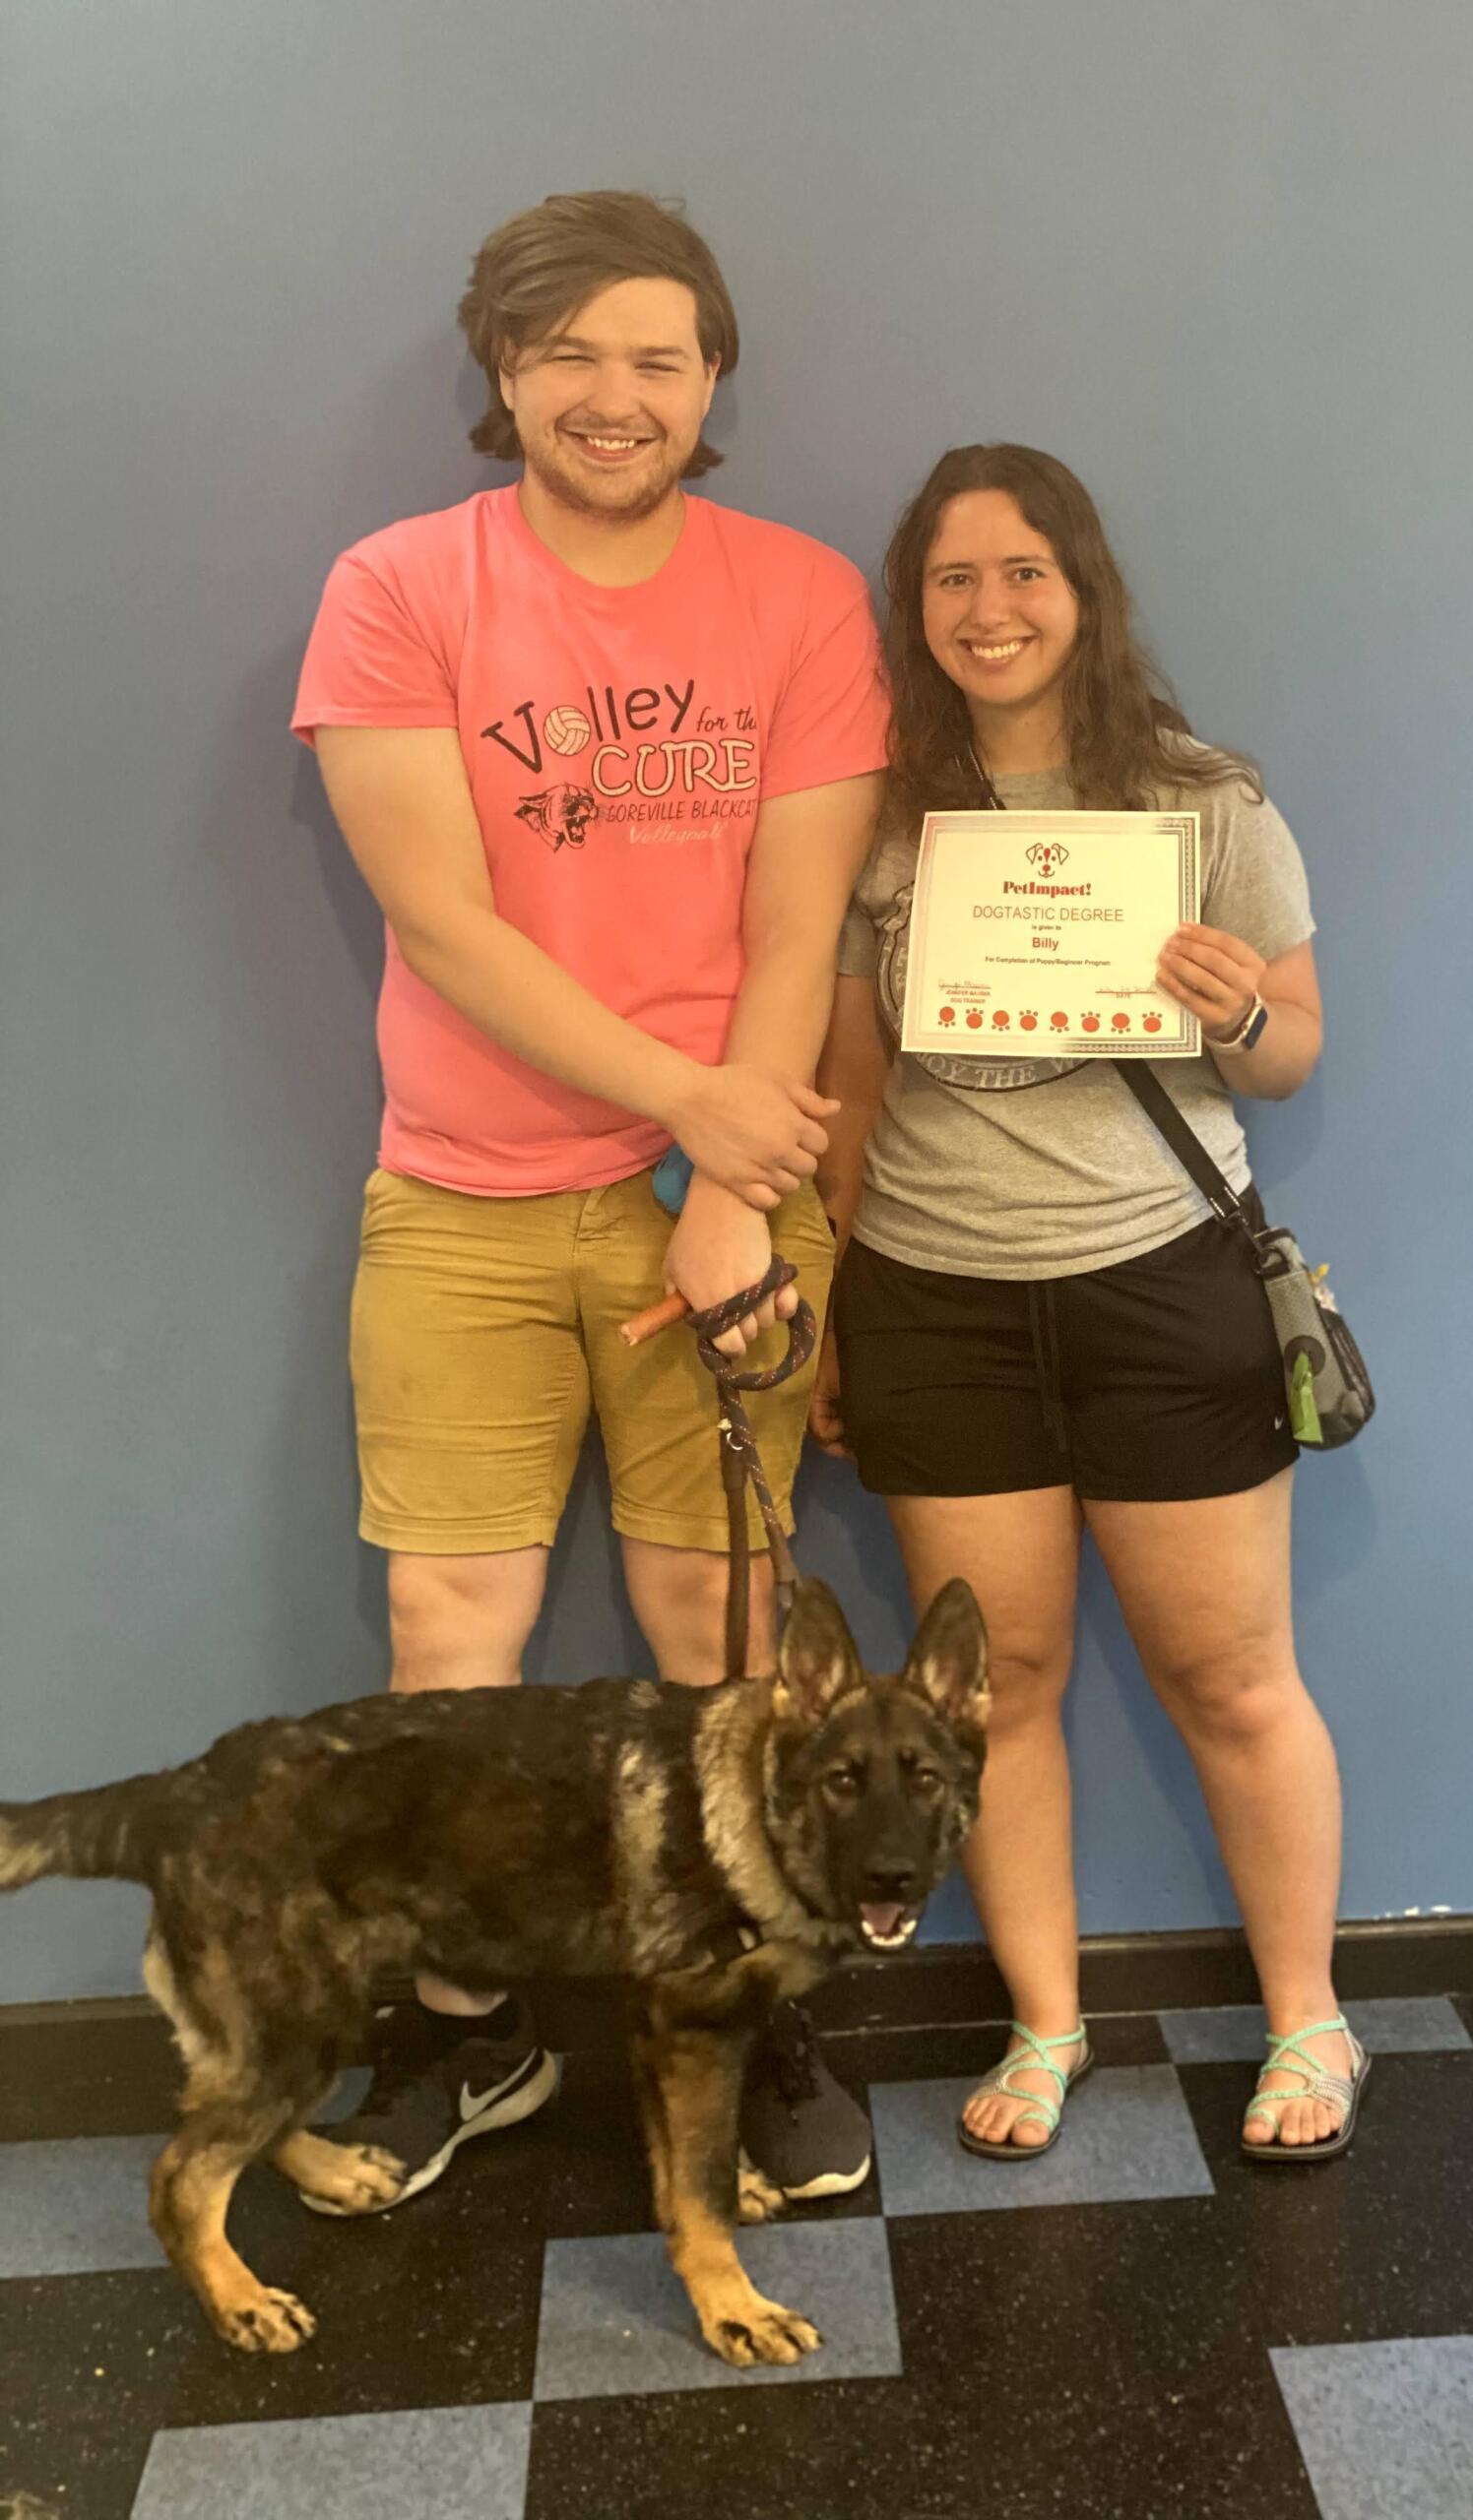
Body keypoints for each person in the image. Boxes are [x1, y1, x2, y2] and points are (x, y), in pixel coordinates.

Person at [290, 190, 885, 2208]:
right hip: (458, 1197)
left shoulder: (799, 595)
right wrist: (699, 1109)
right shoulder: (396, 586)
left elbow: (801, 917)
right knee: (448, 1628)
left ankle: (762, 2003)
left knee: (722, 1620)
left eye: (658, 355)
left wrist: (733, 1172)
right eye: (569, 353)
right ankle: (473, 2026)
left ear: (713, 379)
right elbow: (443, 922)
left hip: (720, 1196)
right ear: (504, 373)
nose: (613, 394)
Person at [813, 445, 1366, 2162]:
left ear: (1084, 589)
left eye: (1025, 573)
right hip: (935, 1294)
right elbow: (848, 1075)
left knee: (1234, 1674)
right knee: (1008, 1682)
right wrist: (829, 1299)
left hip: (1166, 1286)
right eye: (954, 581)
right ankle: (1045, 2027)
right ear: (920, 612)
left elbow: (1288, 1056)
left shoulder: (1206, 800)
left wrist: (1226, 1010)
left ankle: (1310, 2025)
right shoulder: (877, 812)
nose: (991, 610)